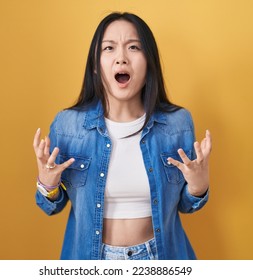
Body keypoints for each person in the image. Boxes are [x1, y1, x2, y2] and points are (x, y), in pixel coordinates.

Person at [33, 12, 212, 260]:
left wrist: (198, 186)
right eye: (109, 48)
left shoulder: (177, 123)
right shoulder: (67, 126)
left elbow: (186, 205)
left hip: (160, 258)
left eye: (133, 47)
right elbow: (51, 206)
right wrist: (47, 184)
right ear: (95, 66)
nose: (121, 58)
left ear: (148, 61)